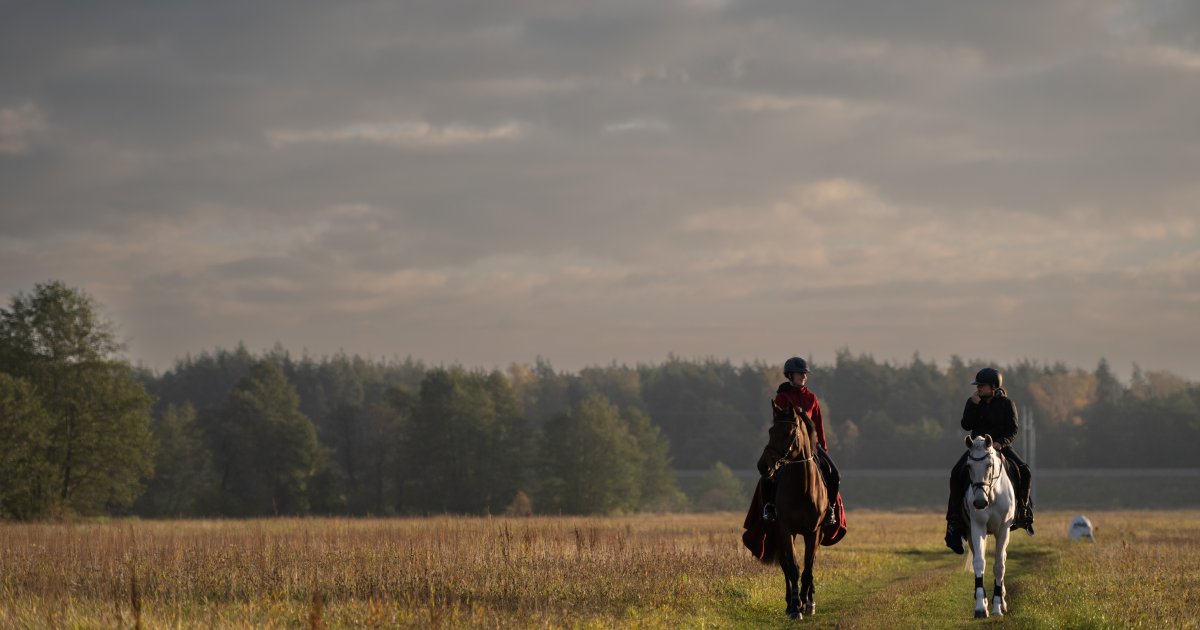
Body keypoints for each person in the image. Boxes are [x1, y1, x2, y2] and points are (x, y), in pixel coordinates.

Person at [944, 367, 1035, 554]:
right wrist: (972, 404)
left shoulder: (1007, 404)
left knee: (1024, 471)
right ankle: (953, 522)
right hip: (978, 448)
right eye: (977, 386)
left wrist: (1001, 443)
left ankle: (1023, 512)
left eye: (981, 385)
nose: (978, 388)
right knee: (956, 473)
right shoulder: (974, 402)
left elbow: (1013, 429)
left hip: (1000, 446)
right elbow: (966, 425)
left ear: (993, 387)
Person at [757, 356, 841, 527]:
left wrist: (822, 445)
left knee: (835, 475)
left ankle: (830, 509)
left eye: (805, 374)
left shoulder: (812, 398)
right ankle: (769, 507)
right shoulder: (782, 397)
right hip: (788, 447)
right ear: (790, 375)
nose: (803, 376)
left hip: (812, 446)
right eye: (800, 373)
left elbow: (818, 423)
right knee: (768, 474)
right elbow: (779, 425)